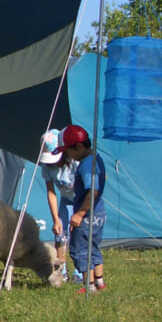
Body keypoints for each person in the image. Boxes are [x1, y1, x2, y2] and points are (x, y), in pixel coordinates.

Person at [53, 124, 107, 293]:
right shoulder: (97, 158)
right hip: (99, 212)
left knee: (80, 250)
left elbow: (93, 192)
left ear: (79, 146)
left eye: (68, 151)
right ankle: (100, 282)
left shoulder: (85, 166)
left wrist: (79, 214)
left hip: (87, 216)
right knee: (93, 247)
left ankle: (89, 286)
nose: (68, 155)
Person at [38, 129, 82, 283]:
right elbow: (51, 193)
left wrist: (81, 213)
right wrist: (56, 219)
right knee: (60, 233)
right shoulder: (47, 166)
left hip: (82, 201)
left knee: (80, 233)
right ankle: (61, 270)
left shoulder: (76, 161)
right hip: (66, 200)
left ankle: (81, 271)